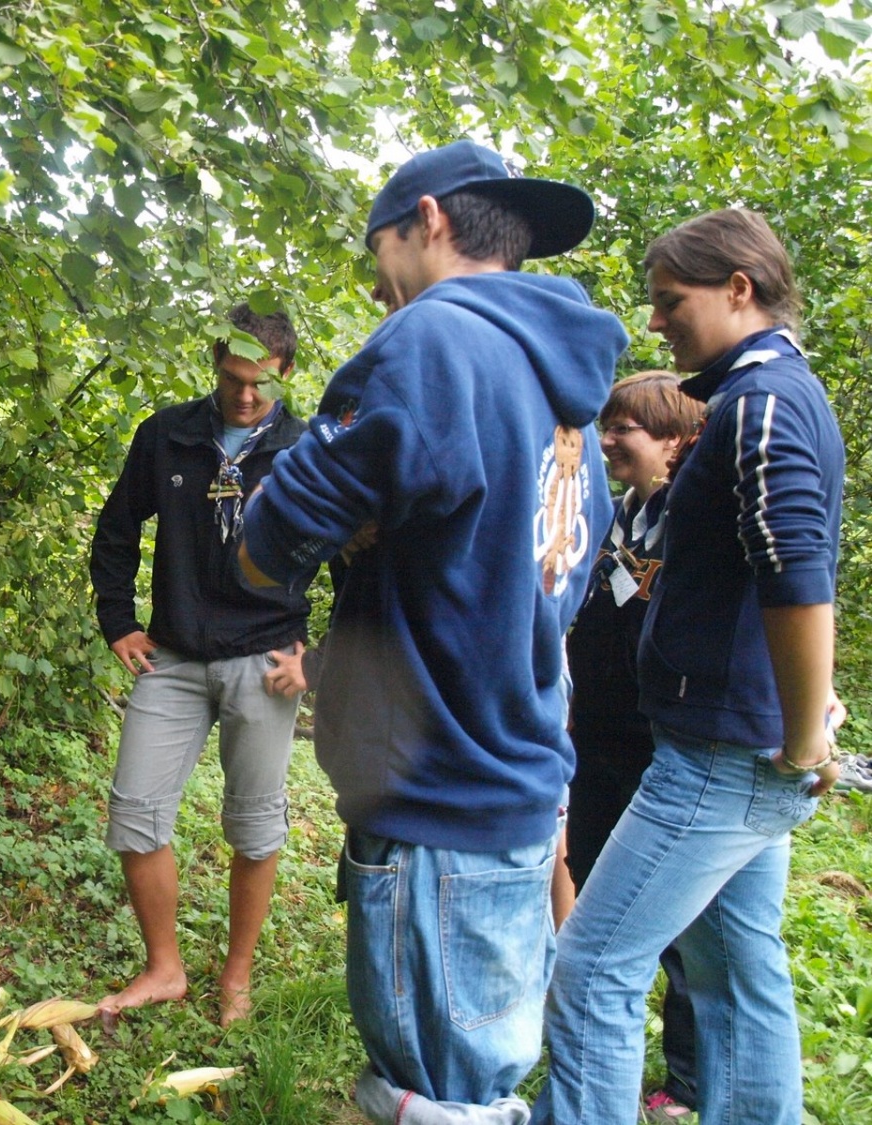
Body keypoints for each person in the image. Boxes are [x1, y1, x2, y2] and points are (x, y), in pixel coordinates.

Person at [239, 139, 628, 1123]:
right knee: (479, 1074)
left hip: (438, 789)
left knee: (439, 1092)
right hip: (515, 767)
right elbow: (552, 574)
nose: (379, 285)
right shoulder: (563, 393)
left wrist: (285, 542)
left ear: (433, 220)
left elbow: (272, 534)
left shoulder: (434, 342)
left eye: (380, 252)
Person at [535, 208, 844, 1125]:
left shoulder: (761, 406)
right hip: (734, 744)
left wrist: (799, 739)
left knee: (592, 968)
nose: (659, 322)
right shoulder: (773, 395)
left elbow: (797, 575)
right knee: (736, 971)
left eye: (672, 301)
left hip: (720, 755)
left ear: (737, 289)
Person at [88, 303, 311, 1028]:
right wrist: (118, 620)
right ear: (215, 365)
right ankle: (165, 966)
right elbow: (117, 529)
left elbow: (361, 562)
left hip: (264, 658)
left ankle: (236, 975)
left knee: (255, 825)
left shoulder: (305, 451)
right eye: (232, 379)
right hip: (175, 656)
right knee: (135, 811)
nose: (245, 396)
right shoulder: (169, 436)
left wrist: (318, 656)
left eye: (261, 384)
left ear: (287, 377)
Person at [562, 371, 704, 1122]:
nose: (609, 440)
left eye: (627, 430)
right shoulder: (613, 514)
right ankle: (596, 1036)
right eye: (606, 426)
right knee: (589, 883)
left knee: (675, 920)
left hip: (664, 744)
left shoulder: (691, 521)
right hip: (597, 736)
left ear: (676, 439)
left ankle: (687, 1081)